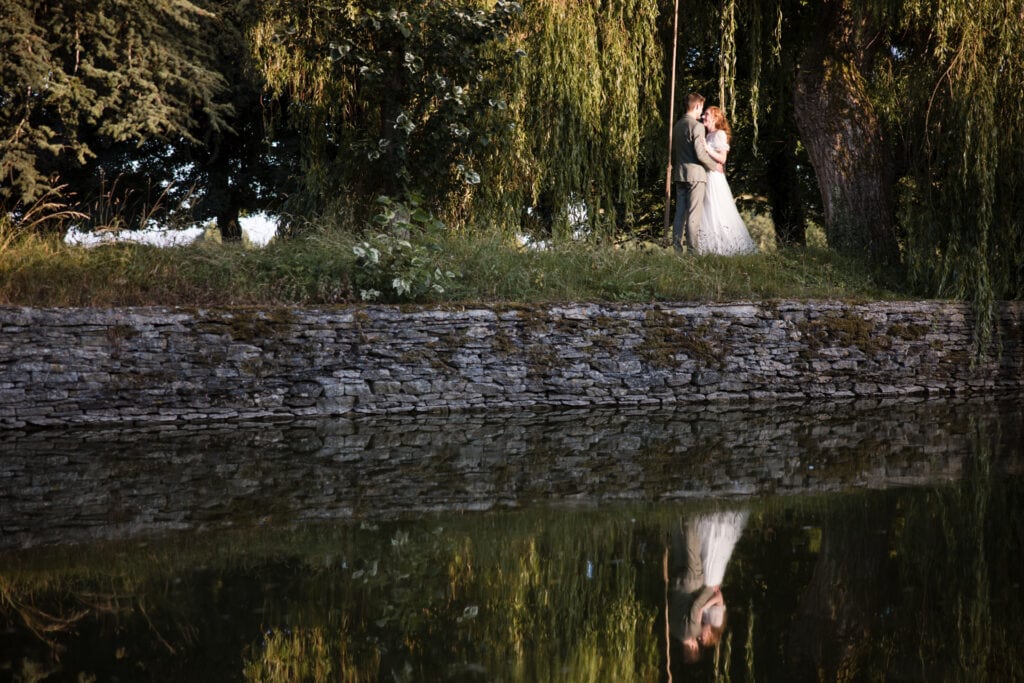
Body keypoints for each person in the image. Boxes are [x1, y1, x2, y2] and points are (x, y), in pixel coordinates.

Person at [697, 106, 758, 255]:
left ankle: (729, 248)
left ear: (716, 118)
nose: (703, 116)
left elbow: (722, 159)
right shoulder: (707, 135)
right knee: (707, 212)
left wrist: (707, 149)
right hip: (706, 176)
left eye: (706, 114)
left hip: (715, 178)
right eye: (704, 114)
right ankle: (710, 248)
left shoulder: (720, 134)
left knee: (718, 210)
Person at [672, 93, 718, 253]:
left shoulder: (677, 126)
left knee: (680, 213)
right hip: (696, 176)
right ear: (697, 105)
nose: (701, 112)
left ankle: (677, 250)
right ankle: (693, 252)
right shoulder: (697, 126)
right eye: (702, 108)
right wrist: (715, 166)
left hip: (680, 174)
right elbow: (700, 154)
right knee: (693, 215)